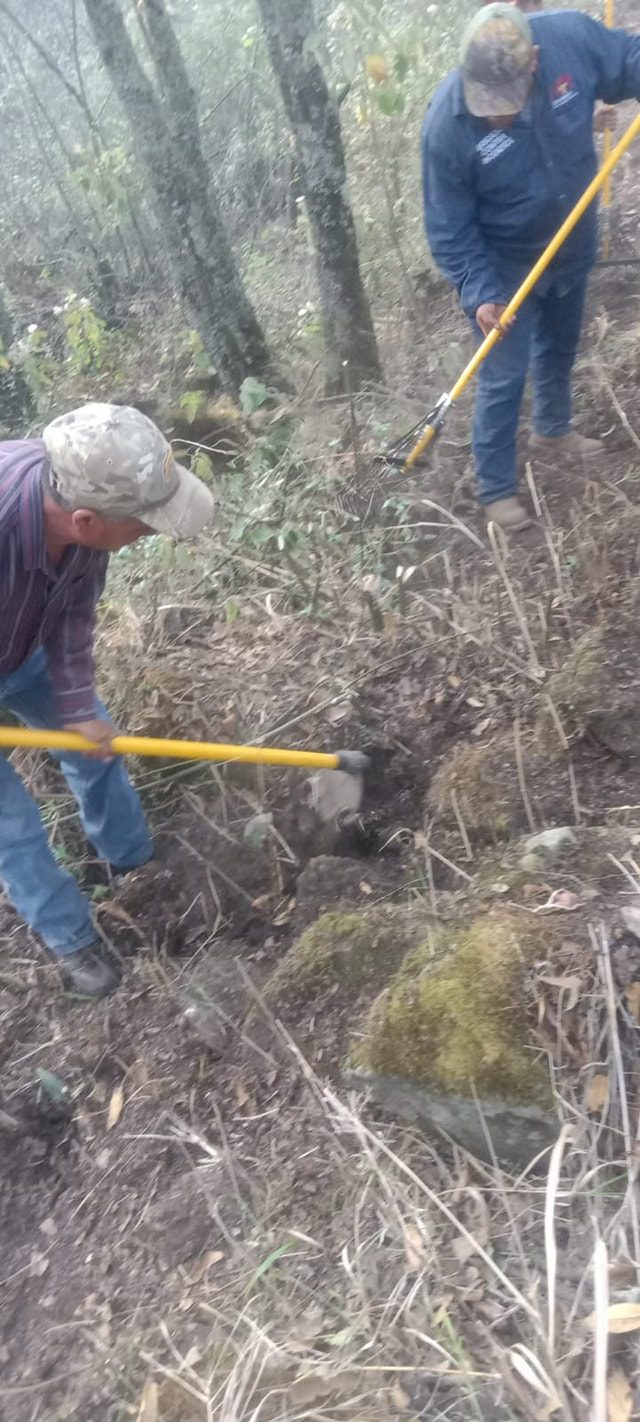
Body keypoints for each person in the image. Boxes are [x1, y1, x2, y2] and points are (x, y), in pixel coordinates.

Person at [0, 403, 214, 998]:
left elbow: (72, 614)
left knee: (97, 745)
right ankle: (71, 939)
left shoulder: (83, 516)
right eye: (145, 524)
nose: (149, 533)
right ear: (87, 520)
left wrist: (76, 703)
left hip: (20, 646)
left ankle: (133, 866)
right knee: (10, 823)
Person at [422, 3, 640, 530]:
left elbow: (626, 57)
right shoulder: (445, 127)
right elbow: (449, 228)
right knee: (502, 375)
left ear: (536, 61)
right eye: (485, 101)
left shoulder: (570, 39)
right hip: (504, 260)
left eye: (505, 100)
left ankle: (553, 428)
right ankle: (495, 487)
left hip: (571, 233)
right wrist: (480, 291)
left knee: (561, 341)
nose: (494, 113)